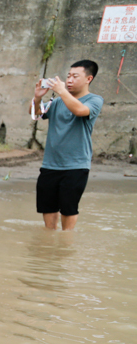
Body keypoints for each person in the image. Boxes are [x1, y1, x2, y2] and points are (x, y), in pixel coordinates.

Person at [30, 60, 103, 231]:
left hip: (76, 165)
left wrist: (62, 91)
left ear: (88, 79)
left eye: (75, 76)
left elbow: (80, 111)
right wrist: (38, 96)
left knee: (69, 208)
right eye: (68, 76)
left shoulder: (95, 100)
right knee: (47, 206)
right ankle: (49, 239)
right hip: (50, 164)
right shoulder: (56, 102)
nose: (69, 80)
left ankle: (66, 242)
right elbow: (35, 114)